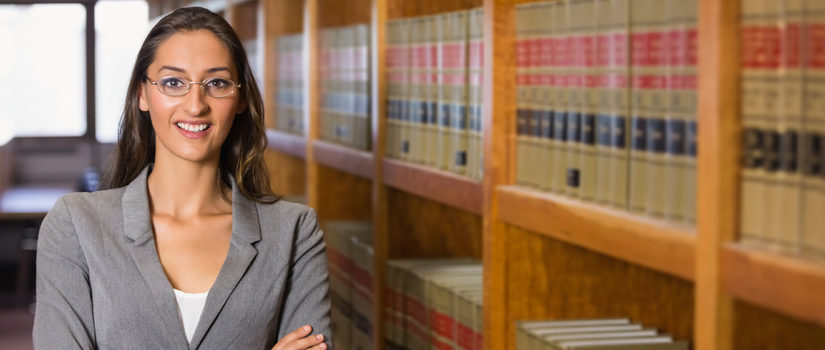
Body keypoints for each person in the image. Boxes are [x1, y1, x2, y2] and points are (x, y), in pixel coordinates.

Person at [32, 7, 331, 349]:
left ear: (241, 97)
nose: (195, 105)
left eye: (216, 83)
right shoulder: (76, 225)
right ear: (142, 94)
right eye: (173, 82)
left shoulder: (294, 231)